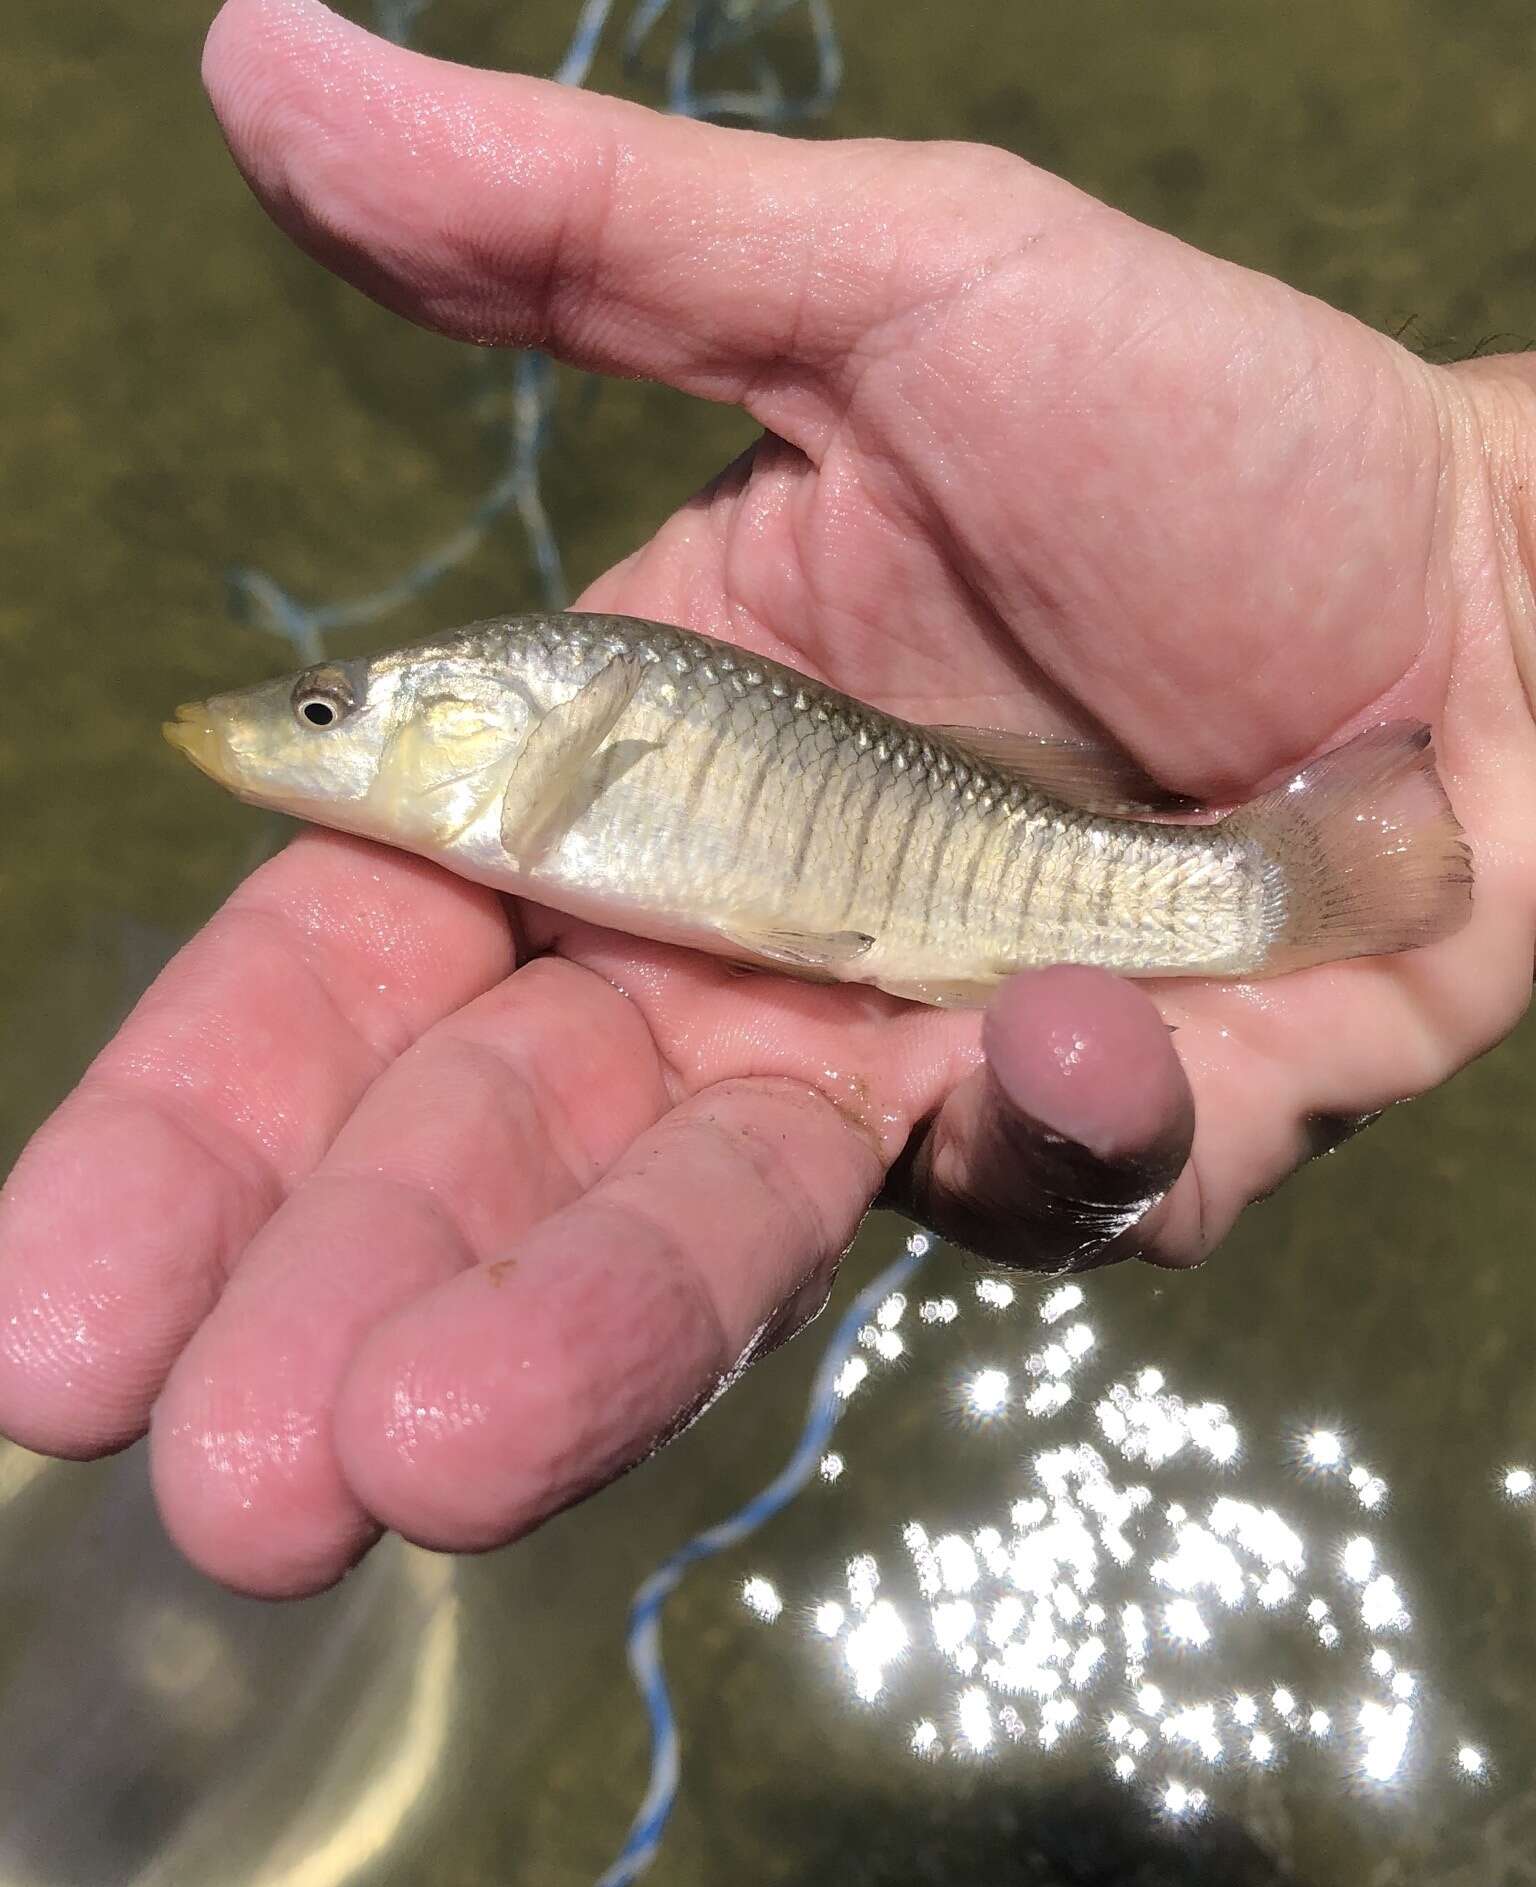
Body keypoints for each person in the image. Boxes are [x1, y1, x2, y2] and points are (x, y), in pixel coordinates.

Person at [1, 0, 1533, 1610]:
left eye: (332, 715)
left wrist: (1482, 549)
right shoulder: (521, 754)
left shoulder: (546, 737)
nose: (299, 732)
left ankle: (1269, 891)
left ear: (488, 723)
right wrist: (1487, 544)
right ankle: (1271, 888)